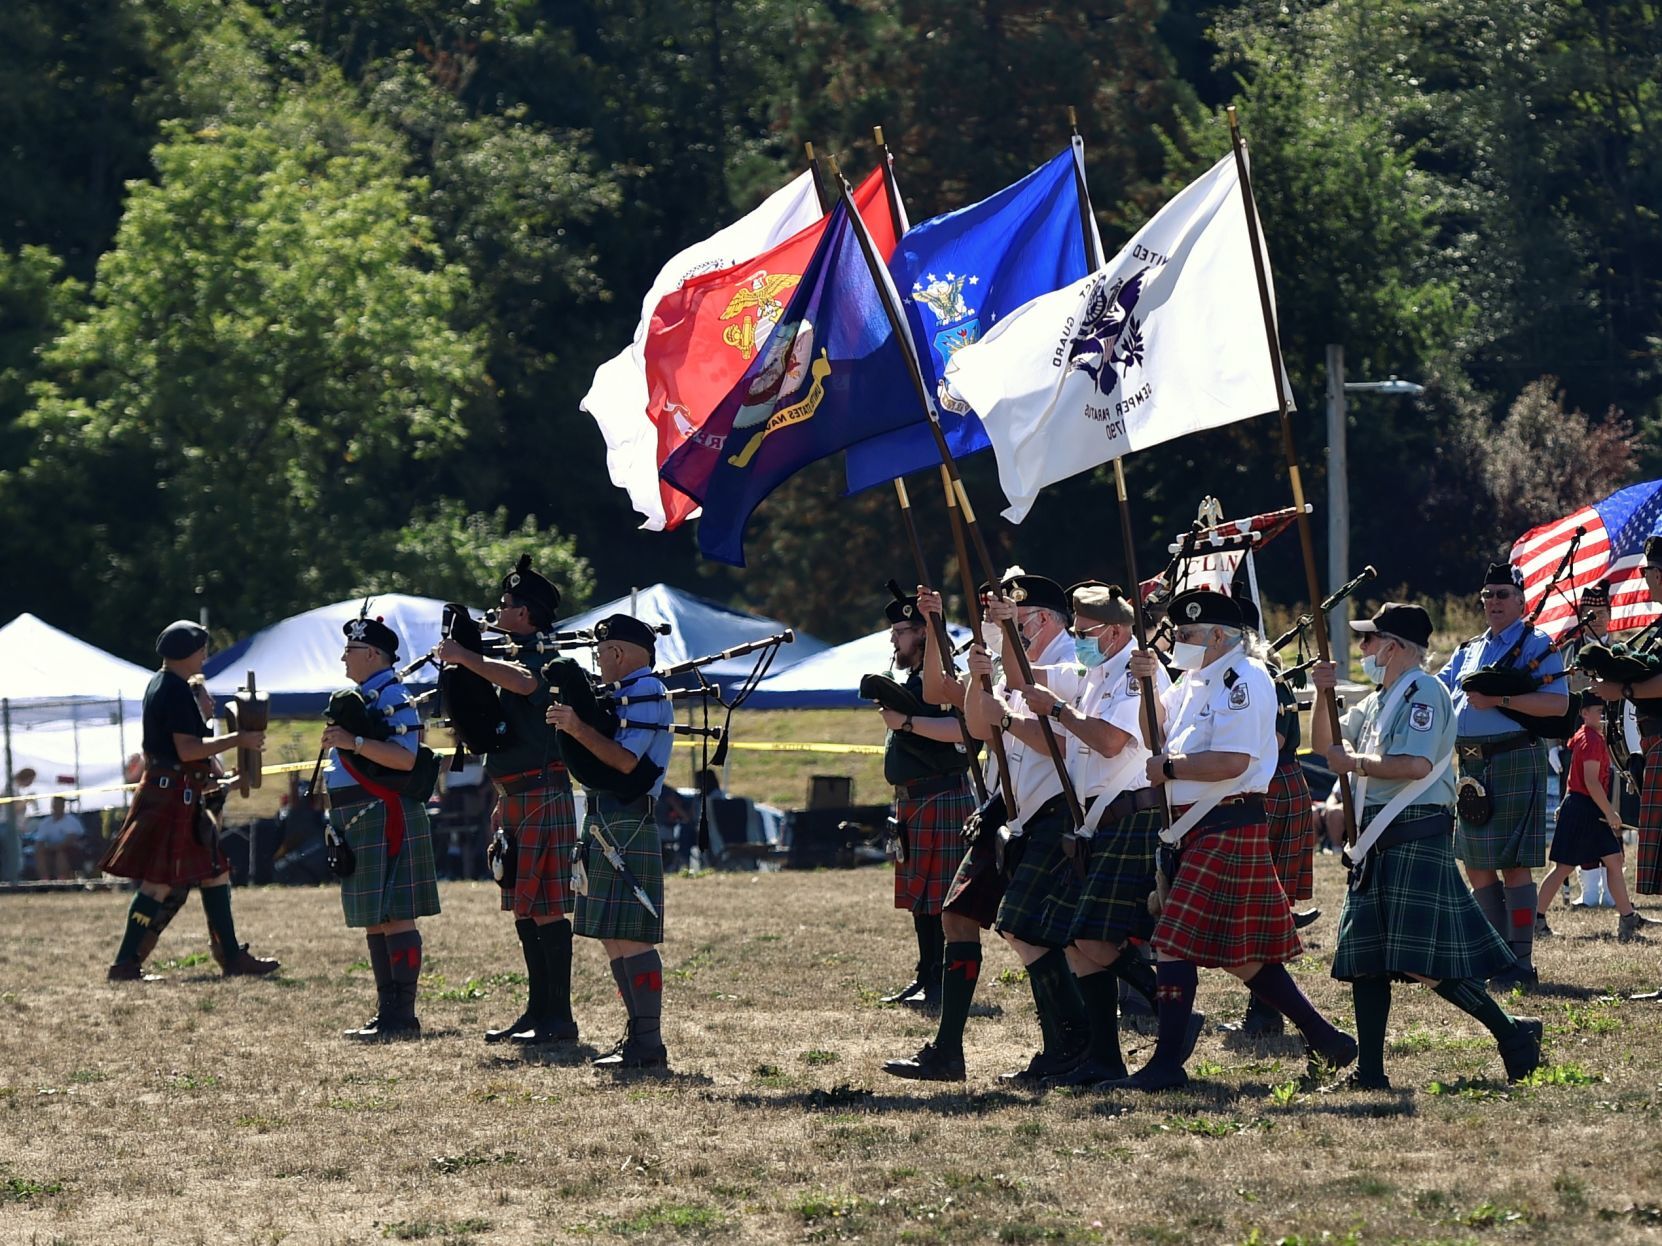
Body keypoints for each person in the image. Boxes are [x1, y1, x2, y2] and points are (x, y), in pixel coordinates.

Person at [1114, 590, 1356, 1092]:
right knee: (1241, 957)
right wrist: (1145, 686)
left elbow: (1235, 762)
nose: (1177, 644)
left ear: (1219, 636)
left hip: (1226, 821)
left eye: (1186, 636)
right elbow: (1154, 731)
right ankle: (1326, 1038)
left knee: (1173, 942)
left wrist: (1172, 769)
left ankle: (1166, 1065)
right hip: (1195, 827)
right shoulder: (1192, 681)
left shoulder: (1244, 680)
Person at [1312, 602, 1541, 1089]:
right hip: (1379, 836)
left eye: (1369, 640)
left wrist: (1355, 764)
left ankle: (1513, 1033)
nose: (1363, 648)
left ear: (1393, 646)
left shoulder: (1425, 692)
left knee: (1424, 960)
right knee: (1368, 958)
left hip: (1413, 827)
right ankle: (1371, 1072)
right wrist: (1322, 692)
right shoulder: (1378, 700)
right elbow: (1324, 745)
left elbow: (1414, 765)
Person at [883, 572, 1079, 1084]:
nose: (1005, 624)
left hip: (1048, 808)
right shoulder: (1013, 664)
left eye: (1017, 617)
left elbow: (1051, 740)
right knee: (958, 916)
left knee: (1036, 930)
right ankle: (949, 1051)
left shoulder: (1067, 665)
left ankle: (1069, 1042)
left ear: (1041, 619)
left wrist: (1002, 704)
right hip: (1004, 809)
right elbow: (941, 694)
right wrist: (934, 625)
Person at [1015, 582, 1184, 1086]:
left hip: (1129, 813)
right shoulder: (1098, 670)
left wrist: (1057, 711)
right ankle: (1104, 1057)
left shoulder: (1137, 677)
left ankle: (1164, 1005)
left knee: (1088, 934)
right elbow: (1034, 683)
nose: (1078, 640)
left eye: (1085, 632)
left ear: (1114, 630)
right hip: (1099, 817)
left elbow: (1112, 742)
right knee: (1073, 940)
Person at [437, 556, 580, 1047]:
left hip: (542, 791)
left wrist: (466, 658)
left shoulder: (547, 659)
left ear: (528, 613)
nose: (500, 609)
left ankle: (558, 1017)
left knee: (545, 909)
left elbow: (523, 683)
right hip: (516, 794)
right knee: (524, 907)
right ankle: (537, 1011)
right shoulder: (515, 652)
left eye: (508, 604)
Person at [102, 620, 277, 981]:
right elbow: (188, 749)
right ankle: (125, 963)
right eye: (202, 650)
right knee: (158, 882)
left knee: (215, 873)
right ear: (189, 653)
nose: (205, 656)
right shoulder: (176, 690)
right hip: (172, 793)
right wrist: (239, 740)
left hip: (179, 791)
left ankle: (231, 957)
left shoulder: (162, 683)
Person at [547, 613, 674, 1069]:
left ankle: (649, 1043)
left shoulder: (648, 693)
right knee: (612, 937)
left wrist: (576, 726)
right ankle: (638, 1038)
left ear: (618, 653)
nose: (598, 663)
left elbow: (625, 763)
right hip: (606, 820)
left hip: (628, 821)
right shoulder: (625, 693)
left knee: (631, 937)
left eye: (601, 654)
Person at [1436, 561, 1568, 990]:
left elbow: (1557, 706)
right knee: (1476, 865)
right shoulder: (1469, 649)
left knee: (1512, 866)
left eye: (1503, 595)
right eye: (1487, 594)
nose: (1493, 602)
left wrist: (1502, 698)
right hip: (1471, 764)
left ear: (1521, 600)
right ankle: (1496, 954)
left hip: (1513, 757)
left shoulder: (1538, 645)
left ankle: (1521, 962)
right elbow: (1442, 691)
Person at [324, 612, 438, 1041]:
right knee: (375, 917)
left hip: (383, 813)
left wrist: (352, 742)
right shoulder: (363, 697)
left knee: (396, 916)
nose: (343, 658)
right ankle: (386, 1010)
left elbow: (406, 758)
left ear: (373, 654)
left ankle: (401, 1014)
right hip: (359, 815)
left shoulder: (395, 698)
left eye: (350, 651)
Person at [875, 592, 976, 1008]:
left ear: (923, 634)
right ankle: (924, 975)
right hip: (915, 801)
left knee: (939, 900)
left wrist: (909, 723)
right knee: (922, 899)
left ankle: (938, 982)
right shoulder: (913, 682)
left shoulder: (944, 678)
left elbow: (964, 732)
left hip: (943, 795)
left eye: (902, 631)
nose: (894, 640)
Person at [1229, 596, 1320, 1040]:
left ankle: (1266, 1012)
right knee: (1267, 902)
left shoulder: (1257, 675)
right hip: (1278, 783)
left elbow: (1273, 737)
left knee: (1265, 903)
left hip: (1270, 785)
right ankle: (1265, 1009)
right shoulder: (1261, 672)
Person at [1537, 692, 1657, 941]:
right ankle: (1535, 920)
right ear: (1584, 713)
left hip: (1583, 806)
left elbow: (1576, 777)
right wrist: (1610, 812)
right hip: (1584, 809)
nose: (1603, 717)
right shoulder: (1590, 740)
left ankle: (1627, 920)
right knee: (1563, 868)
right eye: (1599, 712)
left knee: (1613, 861)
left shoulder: (1587, 736)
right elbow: (1591, 782)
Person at [1564, 582, 1617, 907]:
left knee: (1611, 815)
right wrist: (1558, 746)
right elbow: (1564, 704)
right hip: (1578, 745)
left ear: (1611, 616)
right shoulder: (1570, 654)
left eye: (1601, 613)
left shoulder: (1622, 651)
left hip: (1615, 748)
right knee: (1581, 816)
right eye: (1589, 613)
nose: (1595, 619)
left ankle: (1612, 890)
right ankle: (1588, 891)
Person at [33, 796, 85, 880]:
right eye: (54, 805)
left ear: (63, 806)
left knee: (60, 853)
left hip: (71, 849)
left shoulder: (71, 820)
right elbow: (39, 840)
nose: (56, 807)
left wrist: (57, 847)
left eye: (58, 804)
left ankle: (62, 880)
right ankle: (44, 880)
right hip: (50, 849)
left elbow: (71, 838)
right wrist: (41, 848)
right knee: (40, 853)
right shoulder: (46, 822)